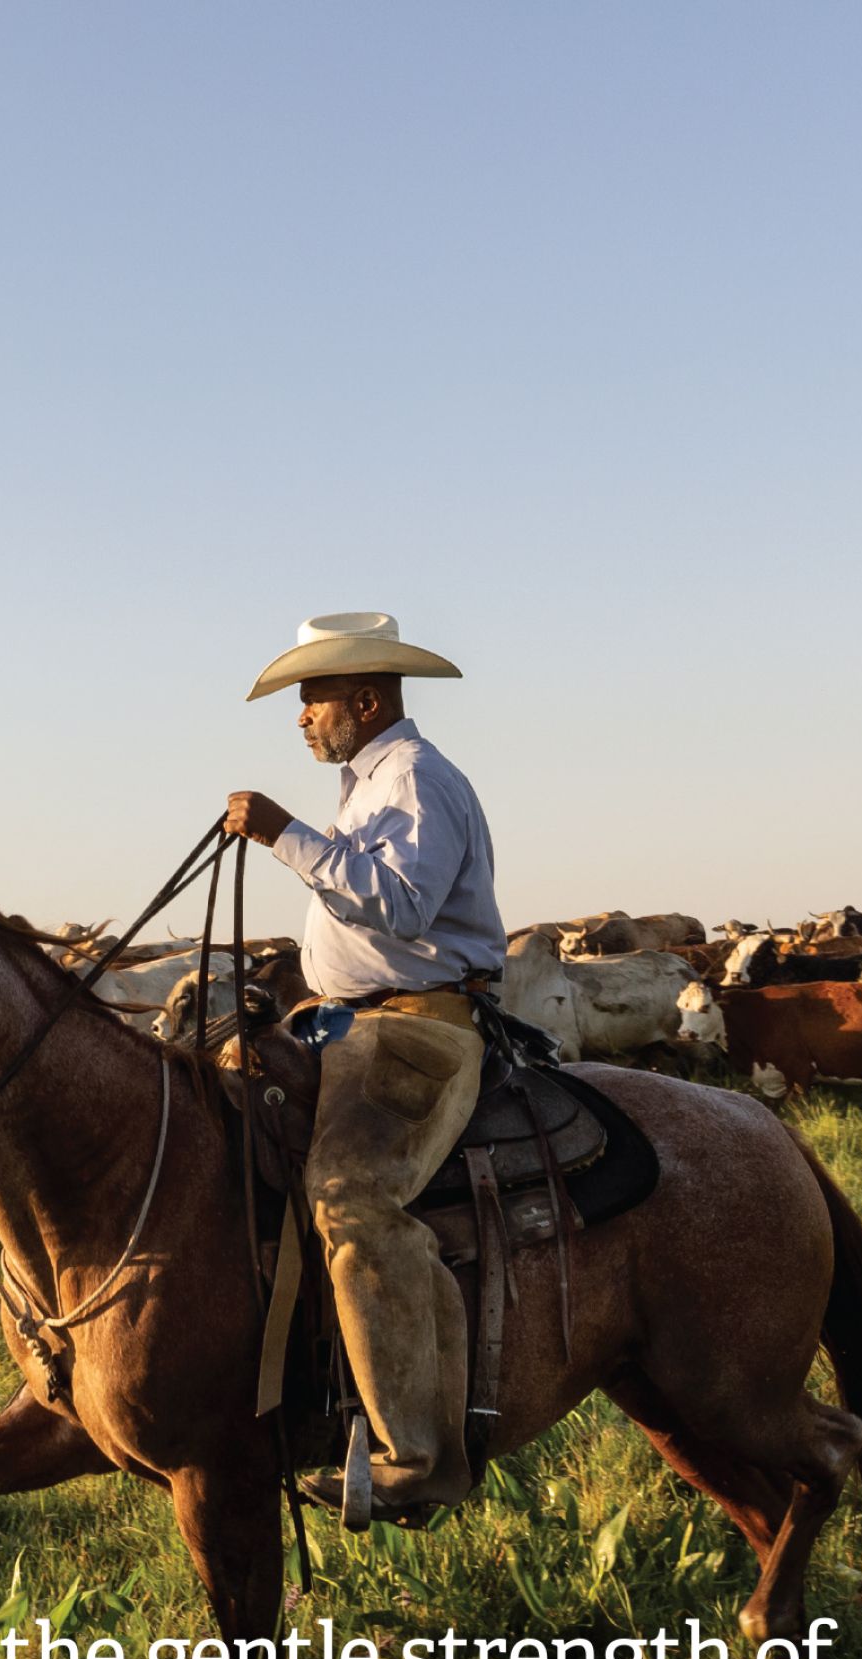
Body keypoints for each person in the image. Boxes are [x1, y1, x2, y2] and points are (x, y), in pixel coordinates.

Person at [223, 611, 507, 1518]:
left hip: (416, 1029)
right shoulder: (372, 785)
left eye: (312, 702)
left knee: (352, 1197)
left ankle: (416, 1459)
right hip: (346, 1024)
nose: (301, 719)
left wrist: (282, 833)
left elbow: (405, 906)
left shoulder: (416, 778)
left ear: (364, 697)